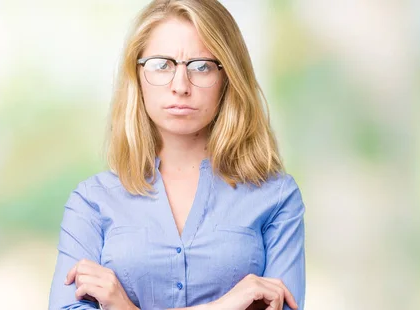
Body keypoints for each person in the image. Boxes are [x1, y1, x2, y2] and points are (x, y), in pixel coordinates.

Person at [47, 1, 306, 309]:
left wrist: (124, 306)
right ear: (137, 75)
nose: (180, 86)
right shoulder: (91, 201)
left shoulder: (277, 197)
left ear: (228, 77)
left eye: (202, 66)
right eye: (162, 64)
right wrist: (224, 306)